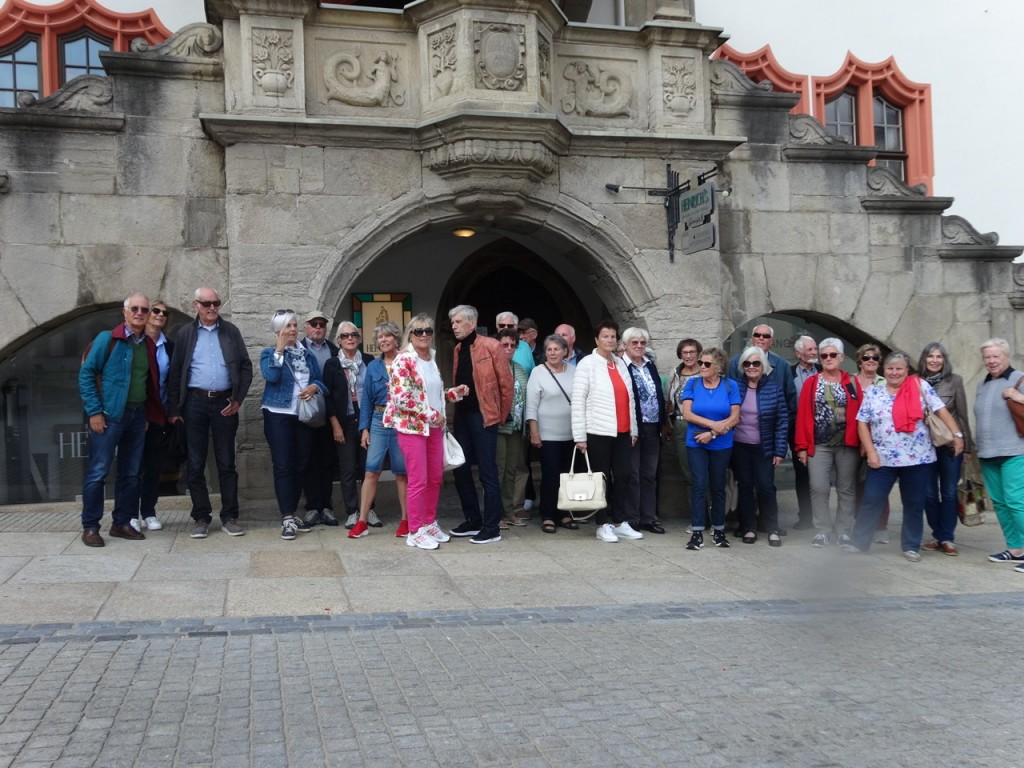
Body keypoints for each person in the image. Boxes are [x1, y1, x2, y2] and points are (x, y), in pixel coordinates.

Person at [850, 351, 964, 560]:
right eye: (890, 369)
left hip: (918, 459)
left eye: (899, 368)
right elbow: (862, 423)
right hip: (882, 459)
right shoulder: (874, 393)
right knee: (872, 499)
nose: (894, 373)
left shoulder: (920, 387)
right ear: (884, 371)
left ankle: (911, 545)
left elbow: (941, 411)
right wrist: (871, 452)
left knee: (914, 503)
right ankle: (859, 542)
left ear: (907, 370)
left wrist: (957, 435)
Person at [167, 287, 253, 539]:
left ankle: (229, 516)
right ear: (196, 305)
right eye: (207, 304)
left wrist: (238, 399)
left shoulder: (231, 331)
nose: (212, 308)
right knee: (195, 464)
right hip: (195, 403)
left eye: (216, 303)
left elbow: (246, 366)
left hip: (225, 403)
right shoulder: (185, 333)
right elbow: (175, 373)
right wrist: (174, 408)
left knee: (227, 462)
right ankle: (201, 517)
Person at [79, 293, 164, 547]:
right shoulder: (109, 339)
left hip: (137, 416)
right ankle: (91, 527)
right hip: (109, 416)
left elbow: (148, 383)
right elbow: (86, 375)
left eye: (144, 309)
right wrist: (94, 411)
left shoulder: (146, 343)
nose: (140, 313)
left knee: (131, 473)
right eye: (135, 308)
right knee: (98, 472)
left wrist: (147, 413)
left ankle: (122, 522)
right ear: (125, 312)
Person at [384, 314, 467, 550]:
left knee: (435, 478)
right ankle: (415, 529)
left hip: (433, 429)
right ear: (410, 334)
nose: (424, 335)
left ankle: (429, 523)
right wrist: (432, 414)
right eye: (419, 331)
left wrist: (454, 394)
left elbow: (432, 394)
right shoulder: (404, 360)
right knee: (418, 480)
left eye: (428, 331)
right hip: (413, 429)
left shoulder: (430, 359)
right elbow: (401, 398)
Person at [448, 304, 513, 544]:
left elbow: (506, 384)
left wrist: (500, 416)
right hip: (463, 416)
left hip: (485, 416)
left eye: (458, 322)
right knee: (460, 469)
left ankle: (491, 526)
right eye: (452, 322)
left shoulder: (491, 345)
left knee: (487, 472)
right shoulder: (457, 349)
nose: (453, 326)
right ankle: (472, 520)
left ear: (472, 323)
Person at [259, 310, 328, 539]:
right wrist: (279, 351)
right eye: (288, 326)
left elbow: (319, 380)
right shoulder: (269, 353)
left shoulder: (306, 354)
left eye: (295, 325)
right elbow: (271, 376)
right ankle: (287, 516)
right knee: (283, 465)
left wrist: (314, 388)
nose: (292, 330)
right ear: (278, 330)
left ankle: (292, 512)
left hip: (303, 415)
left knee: (301, 463)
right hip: (278, 414)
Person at [571, 320, 641, 543]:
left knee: (623, 475)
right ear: (596, 340)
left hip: (622, 431)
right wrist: (579, 435)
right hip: (597, 430)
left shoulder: (620, 363)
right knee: (600, 479)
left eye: (613, 336)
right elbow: (578, 400)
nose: (610, 340)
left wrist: (633, 429)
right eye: (605, 336)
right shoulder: (587, 364)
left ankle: (619, 522)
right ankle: (602, 524)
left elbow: (630, 399)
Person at [793, 338, 863, 548]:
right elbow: (803, 416)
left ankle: (843, 530)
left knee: (846, 489)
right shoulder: (812, 382)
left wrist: (863, 444)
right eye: (824, 355)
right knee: (818, 487)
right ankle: (822, 529)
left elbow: (860, 413)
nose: (828, 359)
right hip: (819, 445)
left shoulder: (851, 382)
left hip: (847, 444)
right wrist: (802, 447)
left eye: (833, 355)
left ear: (841, 357)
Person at [347, 321, 409, 539]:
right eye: (379, 338)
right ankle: (362, 521)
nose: (383, 340)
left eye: (387, 336)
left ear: (395, 338)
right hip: (378, 418)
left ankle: (406, 521)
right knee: (371, 470)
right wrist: (364, 428)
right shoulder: (373, 366)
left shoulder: (406, 361)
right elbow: (365, 401)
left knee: (402, 472)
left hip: (402, 420)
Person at [681, 347, 740, 550]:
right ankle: (697, 532)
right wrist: (712, 424)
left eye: (706, 364)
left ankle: (719, 529)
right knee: (698, 485)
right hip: (696, 442)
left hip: (721, 443)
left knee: (718, 486)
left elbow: (735, 417)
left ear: (719, 367)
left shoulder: (730, 386)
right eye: (700, 363)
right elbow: (687, 414)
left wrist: (713, 433)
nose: (701, 367)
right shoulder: (692, 383)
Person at [973, 338, 1024, 570]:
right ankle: (1015, 549)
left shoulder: (1019, 378)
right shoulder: (982, 384)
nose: (991, 361)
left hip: (1015, 451)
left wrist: (1018, 396)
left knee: (1016, 502)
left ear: (1007, 357)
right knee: (1001, 504)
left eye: (996, 356)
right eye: (987, 357)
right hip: (988, 453)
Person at [917, 342, 973, 556]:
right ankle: (936, 534)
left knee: (949, 493)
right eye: (930, 356)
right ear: (924, 359)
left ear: (944, 360)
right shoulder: (915, 382)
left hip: (950, 445)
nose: (934, 360)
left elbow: (962, 414)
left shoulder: (955, 381)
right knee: (929, 494)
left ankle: (947, 537)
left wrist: (966, 446)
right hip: (925, 446)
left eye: (939, 357)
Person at [732, 346, 788, 547]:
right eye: (747, 363)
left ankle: (772, 528)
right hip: (740, 446)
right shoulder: (734, 387)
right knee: (745, 486)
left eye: (756, 363)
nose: (751, 367)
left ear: (763, 366)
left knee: (766, 486)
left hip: (764, 447)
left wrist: (780, 450)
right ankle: (748, 527)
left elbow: (782, 421)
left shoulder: (774, 389)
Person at [621, 327, 671, 534]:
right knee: (632, 473)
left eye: (642, 343)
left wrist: (663, 423)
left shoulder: (649, 366)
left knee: (649, 474)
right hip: (633, 427)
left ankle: (648, 518)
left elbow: (658, 396)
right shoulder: (621, 366)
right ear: (625, 345)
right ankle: (632, 518)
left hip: (652, 426)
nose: (639, 346)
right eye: (635, 343)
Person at [525, 334, 576, 533]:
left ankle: (564, 513)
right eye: (549, 349)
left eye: (556, 349)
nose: (552, 353)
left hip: (571, 434)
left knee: (566, 476)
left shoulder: (574, 371)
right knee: (551, 475)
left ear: (565, 351)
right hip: (547, 435)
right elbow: (531, 406)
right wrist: (534, 433)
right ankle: (547, 515)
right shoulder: (538, 372)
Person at [329, 321, 376, 530]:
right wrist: (335, 425)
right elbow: (327, 398)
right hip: (344, 419)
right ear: (338, 340)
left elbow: (375, 392)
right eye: (345, 335)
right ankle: (351, 512)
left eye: (354, 335)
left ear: (359, 338)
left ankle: (369, 510)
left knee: (368, 468)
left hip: (366, 418)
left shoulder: (368, 360)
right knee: (348, 469)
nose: (350, 338)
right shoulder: (332, 364)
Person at [132, 298, 173, 533]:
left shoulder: (169, 346)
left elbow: (171, 381)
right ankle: (130, 514)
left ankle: (149, 511)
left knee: (153, 465)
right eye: (155, 311)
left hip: (159, 414)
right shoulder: (135, 343)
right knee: (132, 466)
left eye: (164, 313)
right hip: (137, 412)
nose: (159, 315)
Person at [300, 310, 339, 527]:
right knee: (308, 460)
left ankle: (326, 506)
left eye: (322, 324)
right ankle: (312, 507)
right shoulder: (297, 349)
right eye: (313, 324)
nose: (318, 328)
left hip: (329, 413)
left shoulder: (334, 351)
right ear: (306, 326)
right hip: (305, 413)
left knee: (327, 461)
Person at [853, 343, 891, 543]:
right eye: (867, 357)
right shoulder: (849, 382)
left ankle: (881, 526)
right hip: (851, 440)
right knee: (857, 485)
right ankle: (861, 524)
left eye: (875, 358)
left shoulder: (885, 383)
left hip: (878, 441)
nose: (871, 361)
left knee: (878, 485)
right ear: (860, 361)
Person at [665, 338, 702, 525]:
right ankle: (697, 519)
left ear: (698, 354)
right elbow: (668, 402)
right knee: (688, 475)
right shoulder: (674, 374)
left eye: (692, 352)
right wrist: (667, 424)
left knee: (702, 474)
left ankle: (711, 517)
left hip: (701, 426)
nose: (688, 356)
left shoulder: (705, 373)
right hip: (680, 425)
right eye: (685, 352)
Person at [495, 327, 530, 529]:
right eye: (505, 345)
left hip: (517, 428)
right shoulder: (493, 367)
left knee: (511, 471)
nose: (508, 348)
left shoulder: (519, 368)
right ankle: (495, 514)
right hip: (499, 428)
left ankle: (509, 512)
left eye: (512, 345)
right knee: (498, 471)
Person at [789, 335, 820, 531]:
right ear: (799, 353)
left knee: (820, 476)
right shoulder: (789, 373)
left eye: (815, 349)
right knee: (802, 474)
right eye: (810, 350)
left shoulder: (824, 373)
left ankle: (820, 517)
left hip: (820, 430)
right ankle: (805, 516)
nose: (814, 353)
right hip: (797, 429)